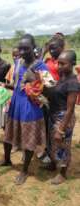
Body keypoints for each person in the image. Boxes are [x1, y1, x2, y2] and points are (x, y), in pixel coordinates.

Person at [1, 34, 48, 185]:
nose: (21, 51)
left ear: (33, 48)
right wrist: (4, 86)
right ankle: (7, 160)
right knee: (8, 133)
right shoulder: (18, 62)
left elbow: (50, 87)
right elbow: (16, 84)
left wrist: (35, 80)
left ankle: (24, 170)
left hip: (30, 106)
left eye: (25, 48)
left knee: (28, 140)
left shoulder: (40, 66)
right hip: (16, 102)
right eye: (20, 48)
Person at [45, 50, 80, 184]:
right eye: (58, 63)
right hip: (54, 115)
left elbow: (70, 109)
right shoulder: (62, 77)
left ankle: (62, 173)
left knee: (63, 145)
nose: (59, 66)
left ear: (72, 64)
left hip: (63, 118)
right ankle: (54, 164)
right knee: (53, 143)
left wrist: (61, 129)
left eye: (63, 64)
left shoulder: (72, 83)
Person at [39, 37, 65, 164]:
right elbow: (36, 67)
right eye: (50, 48)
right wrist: (43, 53)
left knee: (56, 127)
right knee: (46, 125)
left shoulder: (64, 62)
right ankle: (48, 151)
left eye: (55, 48)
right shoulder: (47, 60)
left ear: (62, 48)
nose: (52, 50)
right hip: (46, 98)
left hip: (58, 99)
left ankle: (57, 154)